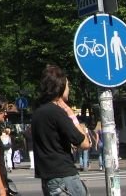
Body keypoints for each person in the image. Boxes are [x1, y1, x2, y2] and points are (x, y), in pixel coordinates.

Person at [31, 64, 90, 196]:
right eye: (68, 85)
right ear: (60, 87)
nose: (69, 89)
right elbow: (84, 143)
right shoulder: (57, 112)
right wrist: (70, 113)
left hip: (48, 177)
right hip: (64, 176)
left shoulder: (38, 113)